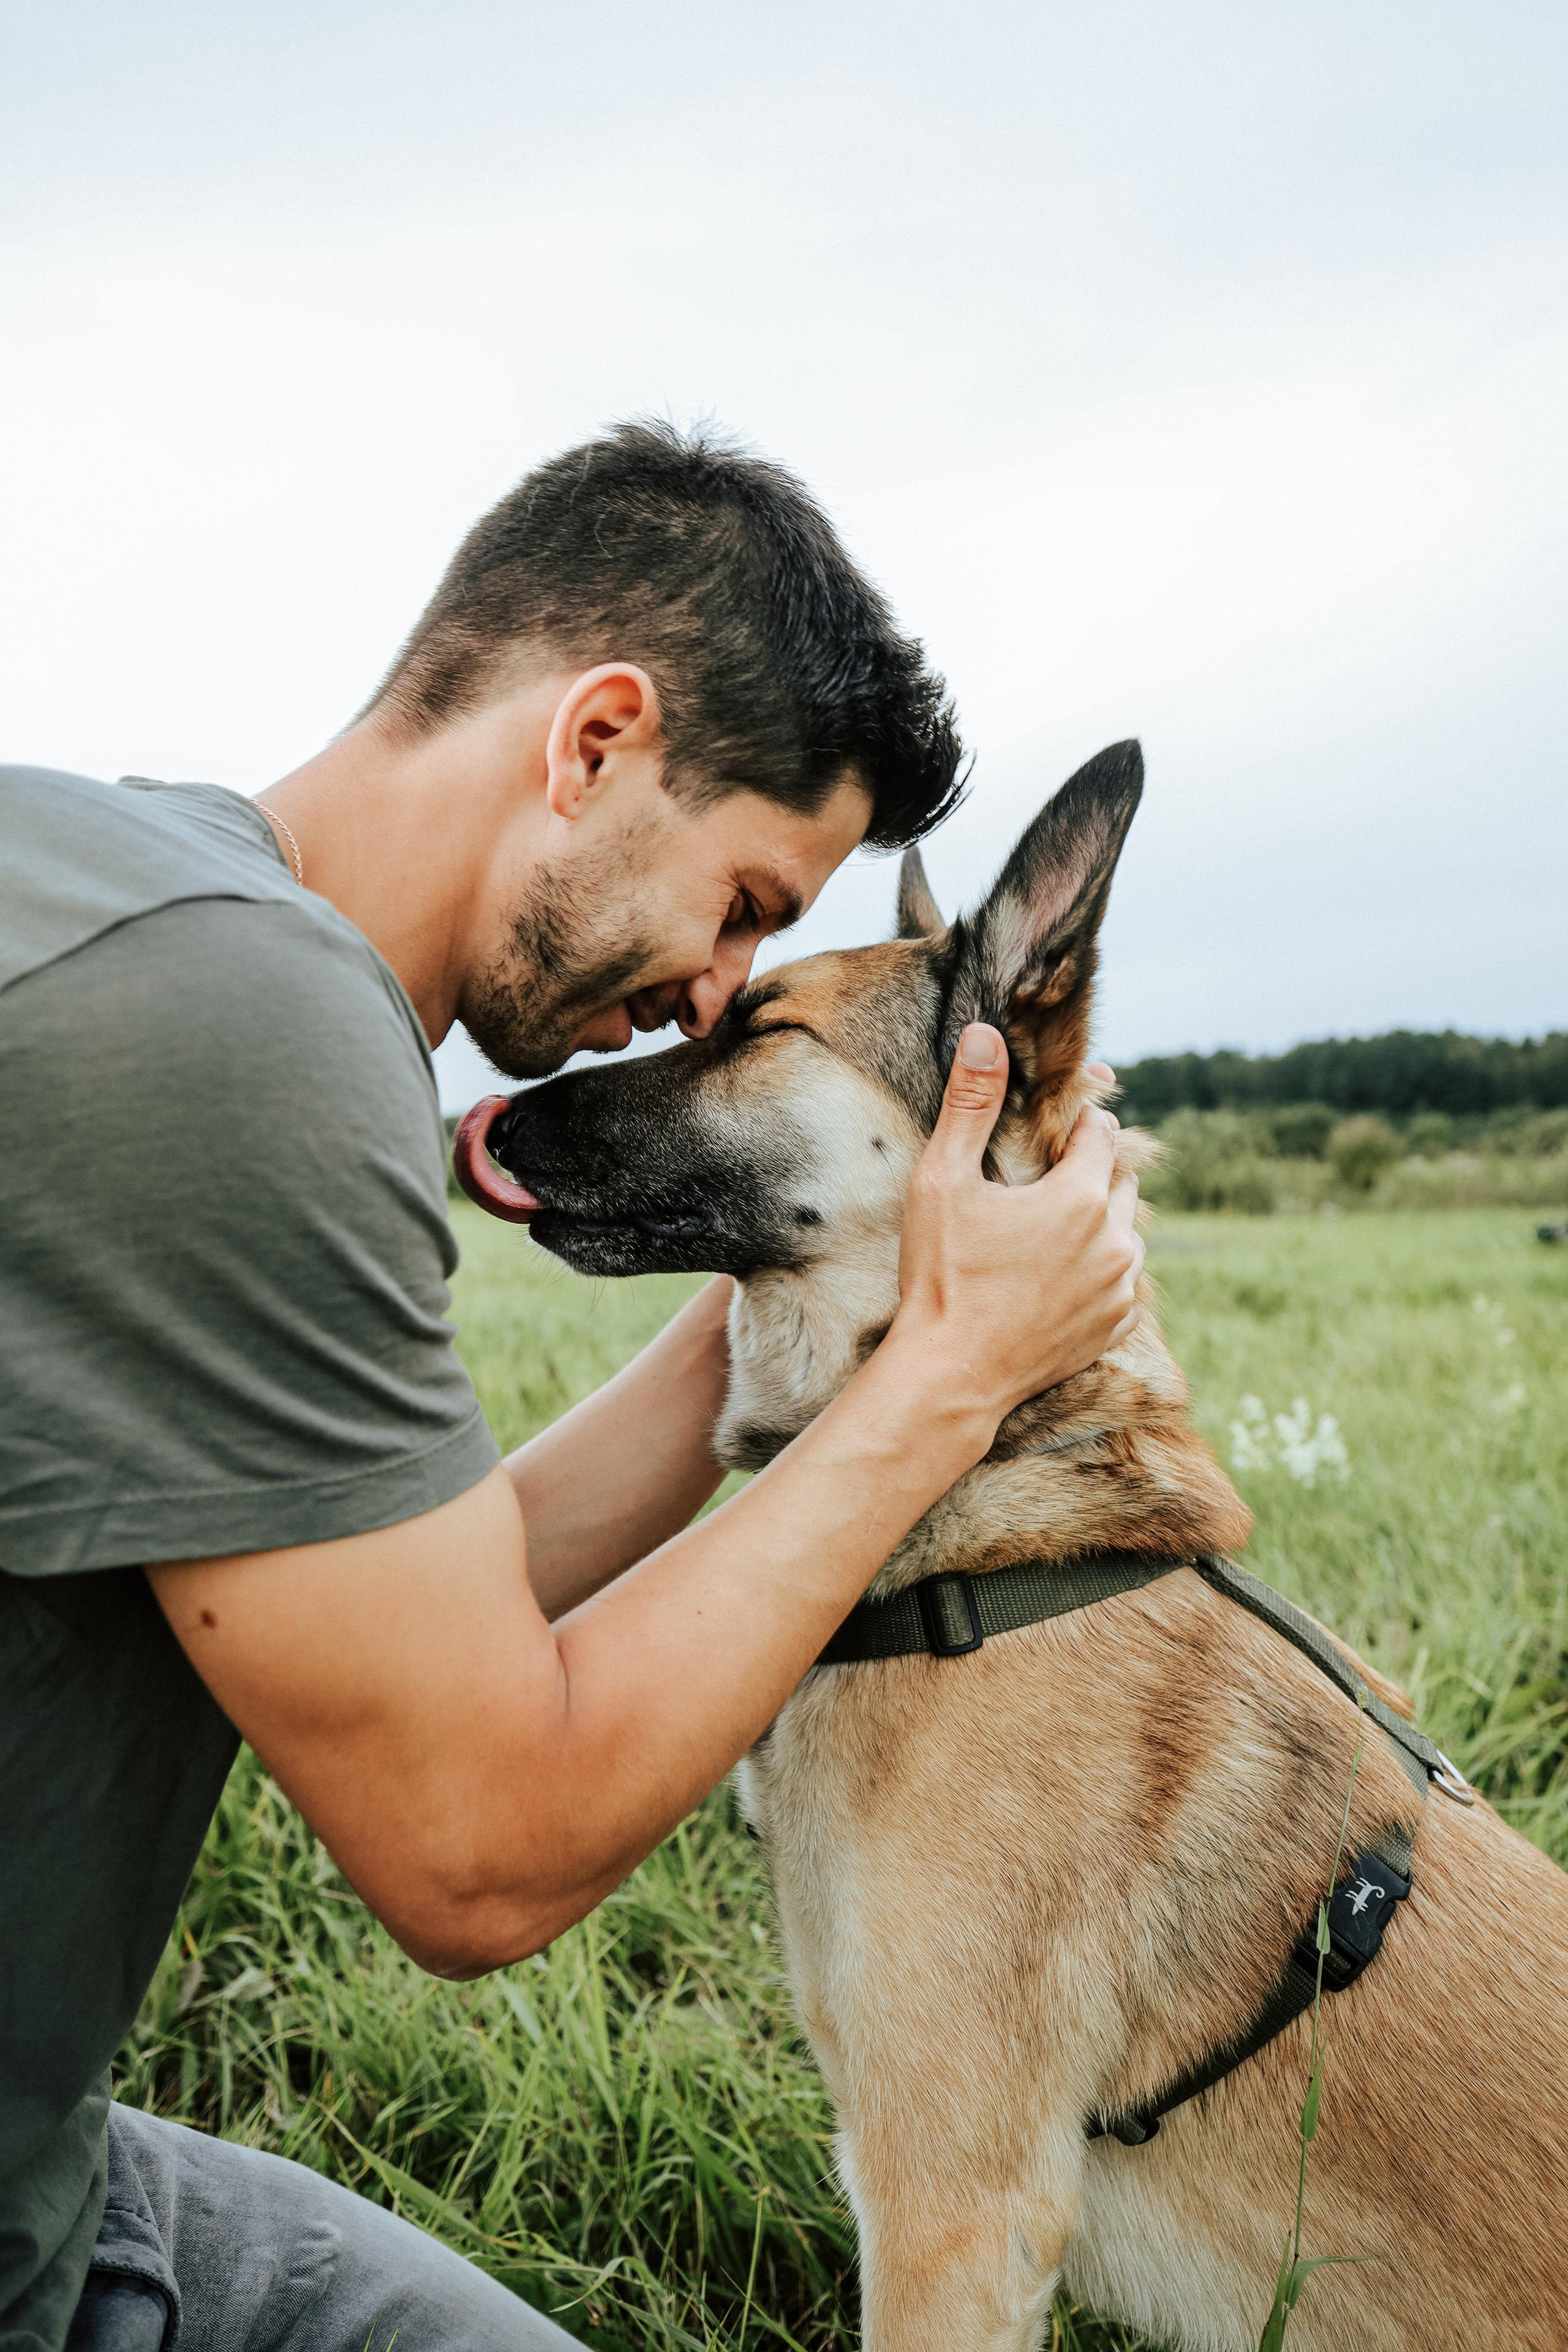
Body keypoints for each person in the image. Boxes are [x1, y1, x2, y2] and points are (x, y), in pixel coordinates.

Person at [0, 422, 1144, 2352]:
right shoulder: (246, 1034)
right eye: (751, 901)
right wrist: (943, 1382)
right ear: (594, 741)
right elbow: (480, 1842)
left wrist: (841, 1280)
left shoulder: (125, 891)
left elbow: (420, 1587)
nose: (720, 990)